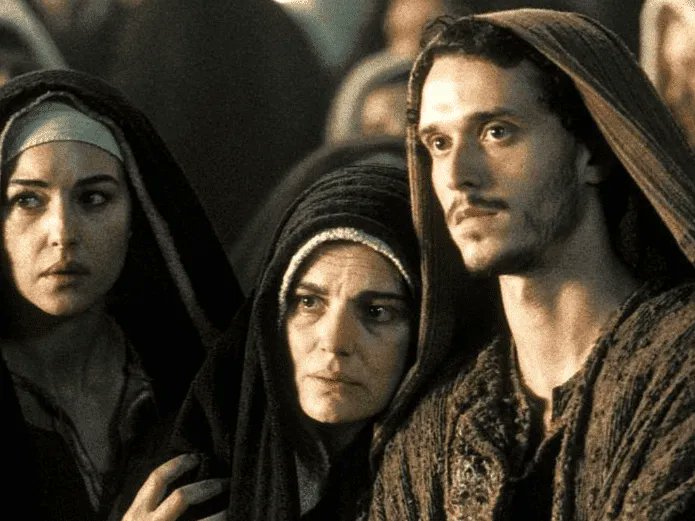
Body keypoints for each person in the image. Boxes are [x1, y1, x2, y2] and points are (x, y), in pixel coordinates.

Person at [369, 9, 695, 521]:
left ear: (593, 153)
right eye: (439, 143)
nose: (456, 175)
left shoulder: (681, 365)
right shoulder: (431, 434)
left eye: (496, 131)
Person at [0, 69, 242, 521]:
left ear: (137, 217)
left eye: (94, 198)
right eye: (28, 200)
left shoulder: (194, 380)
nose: (63, 233)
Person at [123, 165, 423, 521]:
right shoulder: (175, 468)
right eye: (308, 302)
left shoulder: (445, 478)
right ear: (271, 320)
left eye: (377, 312)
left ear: (425, 328)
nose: (334, 342)